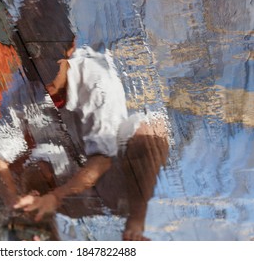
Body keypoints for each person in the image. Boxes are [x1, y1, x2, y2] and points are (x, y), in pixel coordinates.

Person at [12, 40, 169, 240]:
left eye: (51, 75)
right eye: (37, 74)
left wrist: (56, 196)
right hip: (72, 184)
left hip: (118, 182)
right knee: (34, 168)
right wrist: (17, 198)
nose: (47, 87)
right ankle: (41, 233)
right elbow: (1, 153)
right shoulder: (29, 85)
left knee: (151, 128)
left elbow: (102, 162)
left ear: (68, 54)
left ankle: (137, 224)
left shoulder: (97, 78)